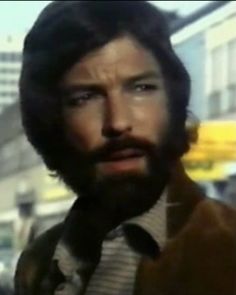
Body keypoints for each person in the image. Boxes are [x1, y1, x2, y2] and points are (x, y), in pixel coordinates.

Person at [14, 1, 236, 295]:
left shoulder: (226, 247)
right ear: (52, 123)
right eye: (85, 97)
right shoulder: (38, 262)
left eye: (141, 88)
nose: (118, 122)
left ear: (173, 103)